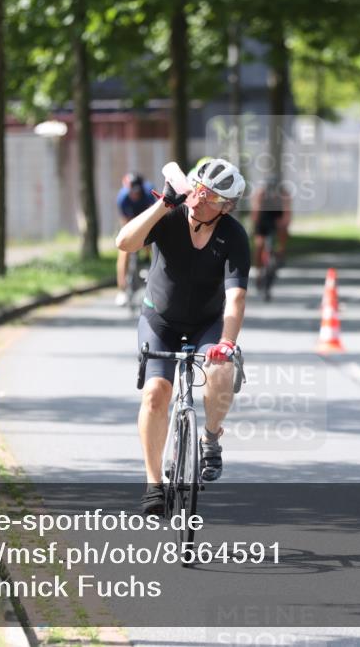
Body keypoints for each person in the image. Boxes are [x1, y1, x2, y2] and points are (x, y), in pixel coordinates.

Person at [115, 158, 250, 515]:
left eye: (213, 198)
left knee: (220, 371)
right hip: (160, 319)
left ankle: (210, 437)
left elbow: (235, 298)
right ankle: (153, 482)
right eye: (200, 192)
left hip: (206, 322)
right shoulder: (171, 216)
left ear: (227, 206)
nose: (202, 201)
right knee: (157, 394)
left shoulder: (233, 236)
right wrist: (164, 204)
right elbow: (124, 243)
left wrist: (227, 342)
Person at [114, 173, 155, 306]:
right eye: (132, 192)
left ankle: (147, 260)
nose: (134, 195)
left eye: (137, 192)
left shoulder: (149, 194)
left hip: (146, 219)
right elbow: (125, 222)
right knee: (123, 253)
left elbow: (153, 217)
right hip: (130, 221)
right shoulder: (122, 198)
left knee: (150, 240)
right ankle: (121, 290)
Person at [250, 178, 292, 273]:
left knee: (283, 230)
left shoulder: (284, 194)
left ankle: (281, 251)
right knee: (259, 244)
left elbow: (287, 212)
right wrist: (255, 227)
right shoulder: (261, 193)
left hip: (277, 216)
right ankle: (258, 269)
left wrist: (284, 223)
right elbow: (255, 211)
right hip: (263, 217)